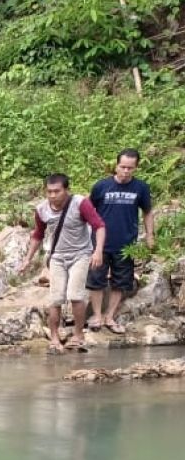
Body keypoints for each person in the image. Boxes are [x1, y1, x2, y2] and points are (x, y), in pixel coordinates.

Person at [18, 174, 106, 353]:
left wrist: (98, 252)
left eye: (57, 191)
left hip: (80, 254)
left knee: (75, 295)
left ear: (66, 190)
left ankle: (78, 334)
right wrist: (27, 259)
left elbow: (99, 226)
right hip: (57, 256)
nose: (52, 195)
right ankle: (54, 337)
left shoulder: (80, 203)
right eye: (49, 192)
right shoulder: (42, 209)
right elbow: (38, 234)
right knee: (55, 298)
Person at [86, 149, 154, 334]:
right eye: (122, 167)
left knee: (121, 282)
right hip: (100, 244)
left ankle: (110, 316)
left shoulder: (141, 188)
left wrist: (150, 235)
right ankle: (97, 316)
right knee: (96, 280)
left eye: (130, 168)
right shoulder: (101, 186)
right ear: (116, 165)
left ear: (135, 168)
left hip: (126, 244)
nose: (125, 171)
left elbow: (147, 212)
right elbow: (88, 211)